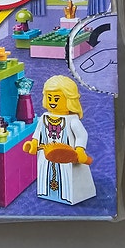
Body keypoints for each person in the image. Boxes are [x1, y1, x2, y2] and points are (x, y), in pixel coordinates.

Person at [23, 75, 96, 205]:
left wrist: (79, 150)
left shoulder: (72, 121)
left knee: (66, 177)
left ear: (69, 99)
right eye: (49, 98)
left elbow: (82, 135)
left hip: (68, 157)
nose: (52, 102)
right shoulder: (44, 117)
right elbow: (38, 133)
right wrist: (33, 144)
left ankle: (66, 196)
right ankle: (46, 192)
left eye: (56, 99)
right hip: (46, 156)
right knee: (45, 174)